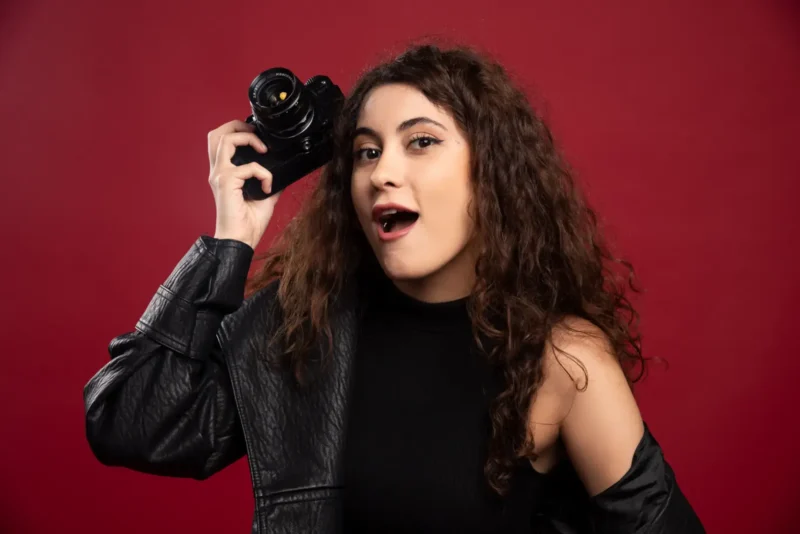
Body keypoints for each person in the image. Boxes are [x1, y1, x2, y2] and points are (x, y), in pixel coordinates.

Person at [83, 43, 705, 533]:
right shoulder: (305, 327)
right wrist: (231, 239)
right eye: (365, 151)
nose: (383, 172)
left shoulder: (563, 360)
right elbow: (128, 422)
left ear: (490, 171)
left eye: (421, 142)